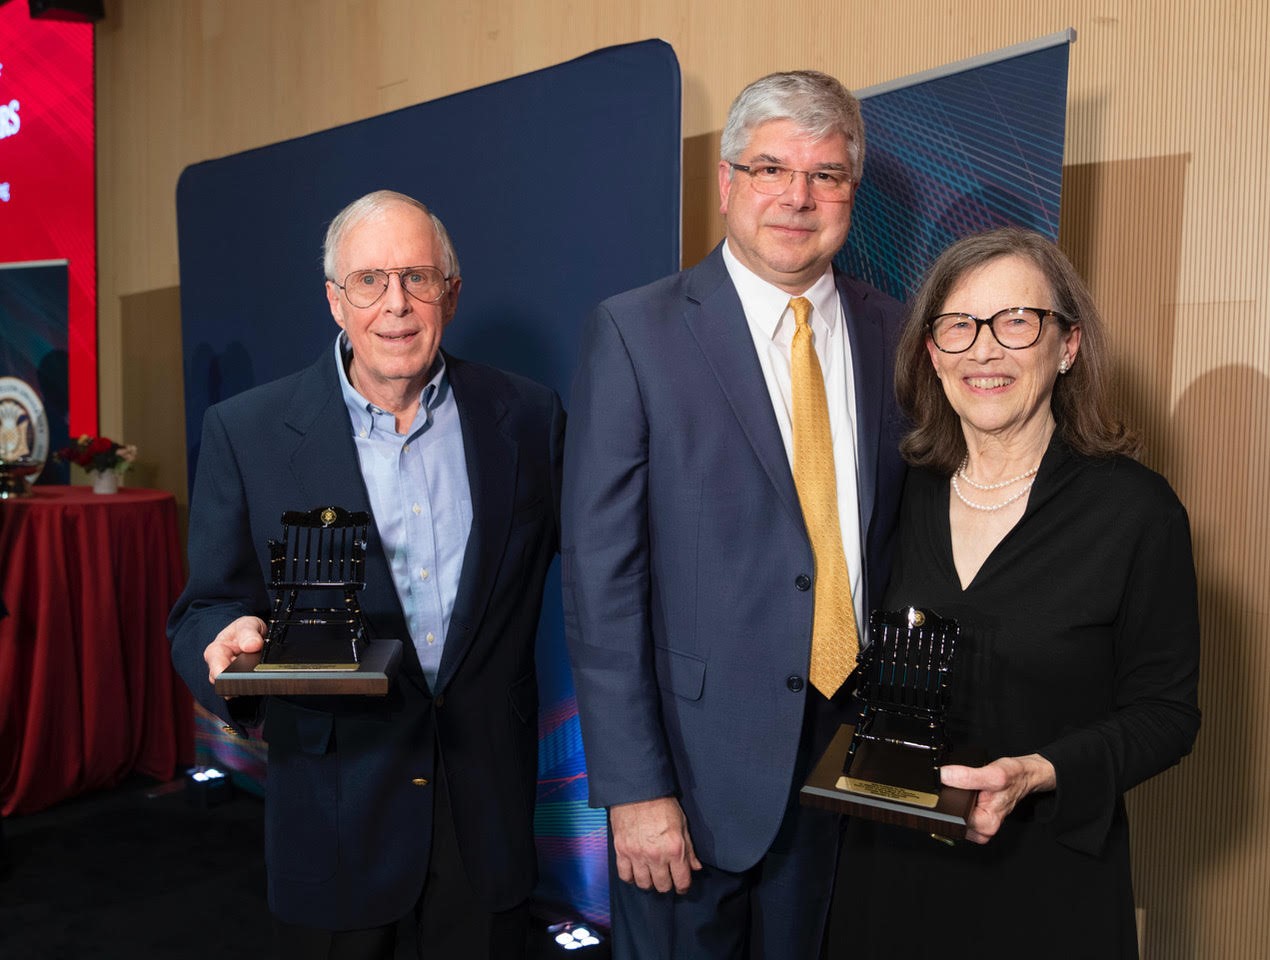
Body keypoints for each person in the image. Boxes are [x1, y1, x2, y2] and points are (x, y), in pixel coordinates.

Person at [562, 71, 907, 958]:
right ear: (727, 183)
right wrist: (635, 790)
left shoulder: (897, 334)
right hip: (690, 775)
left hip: (849, 756)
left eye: (827, 174)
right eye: (770, 168)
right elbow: (601, 583)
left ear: (851, 195)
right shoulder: (636, 333)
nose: (798, 196)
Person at [168, 190, 563, 960]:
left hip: (486, 824)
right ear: (334, 300)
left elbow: (598, 584)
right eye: (369, 281)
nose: (397, 305)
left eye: (418, 278)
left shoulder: (529, 418)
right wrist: (222, 642)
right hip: (334, 827)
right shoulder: (248, 432)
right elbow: (204, 607)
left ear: (451, 292)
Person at [829, 227, 1201, 958]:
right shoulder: (893, 493)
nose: (985, 350)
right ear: (932, 353)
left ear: (1068, 346)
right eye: (960, 326)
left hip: (1045, 885)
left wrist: (1036, 772)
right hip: (890, 876)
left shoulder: (1136, 512)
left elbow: (1166, 716)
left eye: (1016, 322)